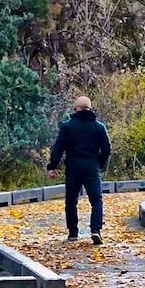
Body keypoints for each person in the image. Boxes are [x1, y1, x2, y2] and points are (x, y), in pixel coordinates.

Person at [47, 96, 111, 244]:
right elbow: (107, 149)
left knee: (71, 201)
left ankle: (73, 233)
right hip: (91, 167)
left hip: (73, 167)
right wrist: (100, 164)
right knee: (96, 200)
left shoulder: (67, 126)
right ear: (90, 108)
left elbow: (59, 147)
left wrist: (52, 166)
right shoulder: (99, 127)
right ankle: (96, 230)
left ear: (75, 108)